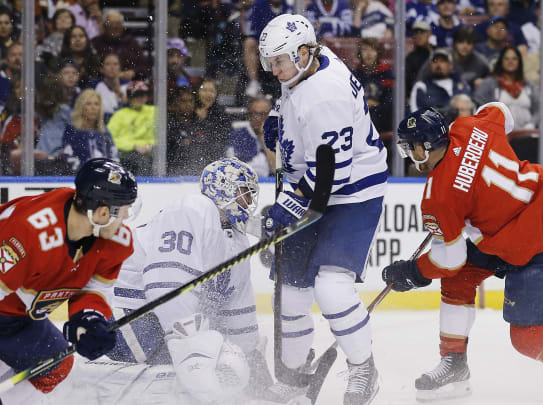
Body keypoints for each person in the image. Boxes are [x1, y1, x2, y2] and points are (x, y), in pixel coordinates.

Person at [382, 105, 543, 404]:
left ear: (423, 146)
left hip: (536, 246)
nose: (409, 156)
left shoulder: (438, 196)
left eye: (410, 148)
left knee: (527, 336)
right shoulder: (469, 125)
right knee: (459, 279)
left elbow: (449, 259)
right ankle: (454, 364)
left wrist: (413, 272)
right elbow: (500, 111)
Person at [259, 13, 388, 405]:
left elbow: (329, 179)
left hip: (352, 195)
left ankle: (364, 369)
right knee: (292, 290)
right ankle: (296, 376)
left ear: (302, 52)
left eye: (279, 61)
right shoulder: (311, 61)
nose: (275, 70)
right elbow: (299, 110)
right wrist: (280, 119)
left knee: (331, 288)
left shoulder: (324, 95)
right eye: (271, 62)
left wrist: (286, 208)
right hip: (316, 182)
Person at [0, 158, 137, 404]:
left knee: (55, 365)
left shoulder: (112, 241)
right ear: (102, 213)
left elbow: (93, 287)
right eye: (124, 211)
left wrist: (89, 317)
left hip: (18, 300)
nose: (126, 220)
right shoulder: (29, 234)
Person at [101, 157, 296, 403]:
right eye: (244, 193)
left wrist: (255, 371)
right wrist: (192, 343)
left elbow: (237, 315)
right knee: (210, 363)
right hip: (122, 319)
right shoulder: (193, 209)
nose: (249, 202)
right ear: (223, 187)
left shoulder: (238, 241)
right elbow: (166, 283)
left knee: (229, 363)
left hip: (159, 325)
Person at [61, 89, 119, 173]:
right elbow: (68, 156)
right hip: (78, 176)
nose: (93, 108)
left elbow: (114, 156)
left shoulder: (104, 131)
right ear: (81, 107)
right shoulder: (72, 130)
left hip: (104, 177)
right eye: (88, 104)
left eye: (96, 104)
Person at [107, 81, 155, 176]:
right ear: (129, 98)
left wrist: (150, 144)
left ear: (146, 96)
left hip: (151, 152)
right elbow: (109, 139)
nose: (139, 98)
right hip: (124, 154)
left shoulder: (154, 111)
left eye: (142, 95)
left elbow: (161, 135)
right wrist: (134, 146)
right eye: (135, 95)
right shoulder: (119, 115)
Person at [226, 96, 276, 177]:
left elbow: (277, 171)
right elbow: (232, 169)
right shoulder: (238, 136)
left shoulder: (277, 136)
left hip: (270, 183)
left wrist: (264, 136)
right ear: (249, 114)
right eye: (254, 113)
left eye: (262, 114)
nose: (258, 118)